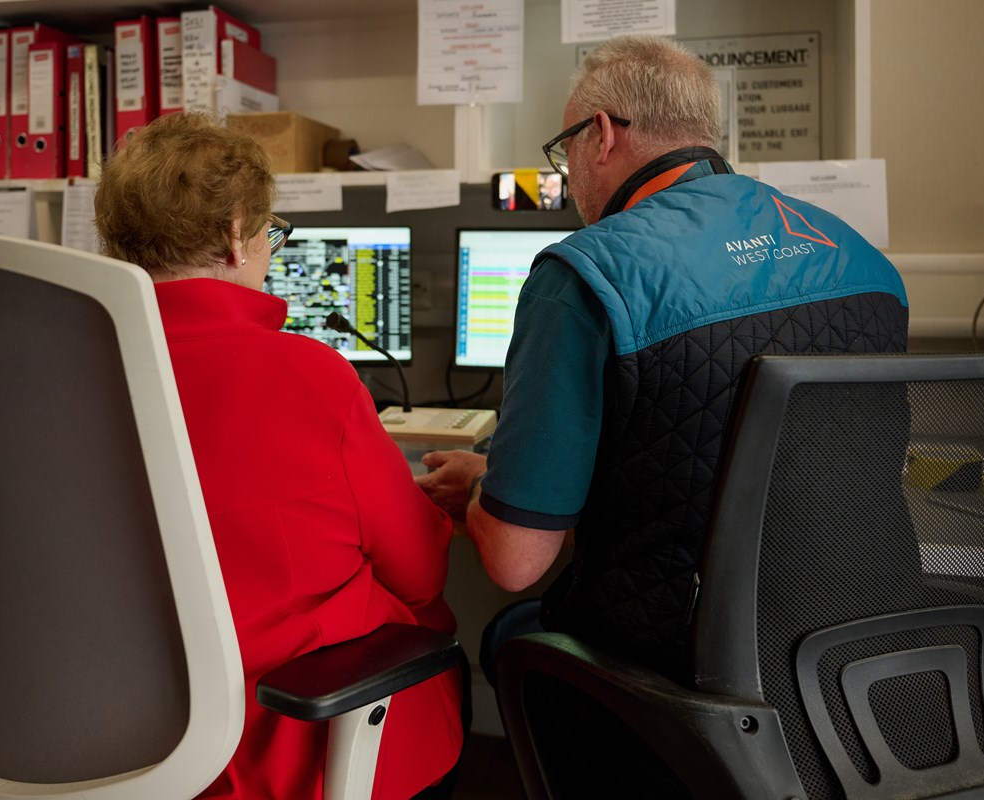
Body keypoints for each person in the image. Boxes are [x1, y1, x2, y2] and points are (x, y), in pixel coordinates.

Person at [417, 35, 908, 689]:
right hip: (863, 649)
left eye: (563, 149)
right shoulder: (863, 258)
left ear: (600, 134)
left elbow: (514, 561)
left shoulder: (586, 273)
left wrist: (485, 492)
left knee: (508, 632)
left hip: (685, 666)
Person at [94, 112, 463, 800]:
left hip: (102, 732)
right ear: (237, 237)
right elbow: (419, 573)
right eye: (271, 235)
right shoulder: (309, 374)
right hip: (284, 745)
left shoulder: (60, 371)